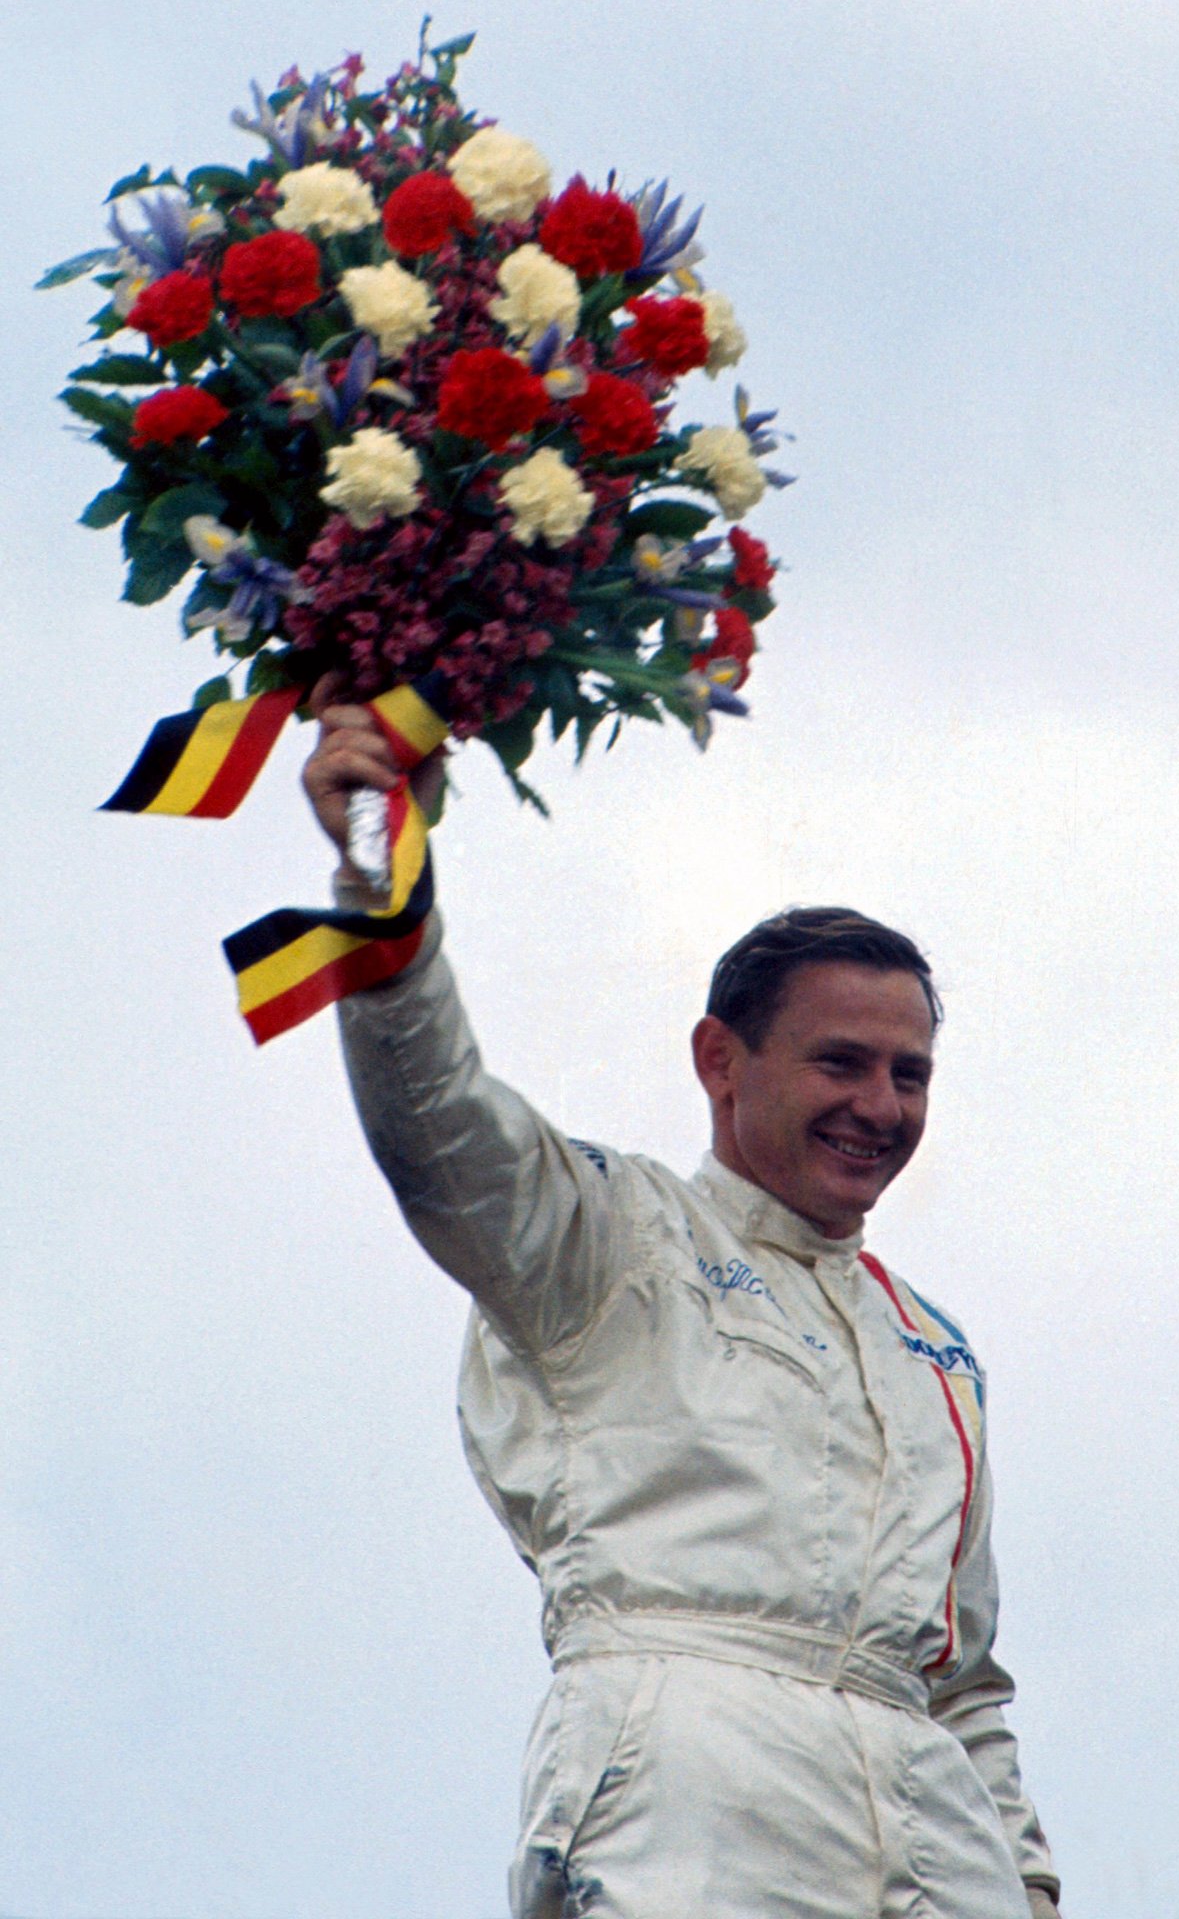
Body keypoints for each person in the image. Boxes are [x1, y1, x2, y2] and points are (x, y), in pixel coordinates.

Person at [302, 682, 1062, 1919]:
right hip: (685, 1789)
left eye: (909, 1073)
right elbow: (432, 1119)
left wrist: (1028, 1889)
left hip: (934, 1841)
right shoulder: (606, 1234)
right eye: (839, 1062)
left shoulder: (937, 1350)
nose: (880, 1105)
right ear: (721, 1060)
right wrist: (379, 877)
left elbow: (964, 1682)